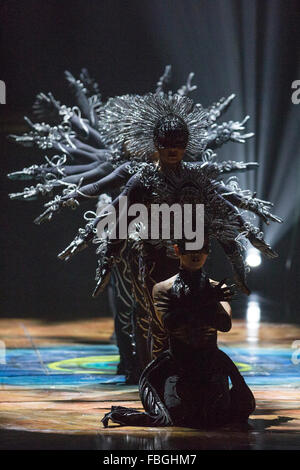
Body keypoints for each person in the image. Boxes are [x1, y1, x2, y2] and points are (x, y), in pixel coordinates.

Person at [101, 239, 255, 428]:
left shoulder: (217, 288)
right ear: (177, 250)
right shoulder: (163, 288)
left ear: (208, 252)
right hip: (178, 366)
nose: (196, 254)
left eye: (202, 249)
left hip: (211, 364)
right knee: (178, 416)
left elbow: (224, 324)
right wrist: (206, 301)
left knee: (225, 413)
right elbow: (170, 324)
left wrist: (193, 304)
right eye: (189, 249)